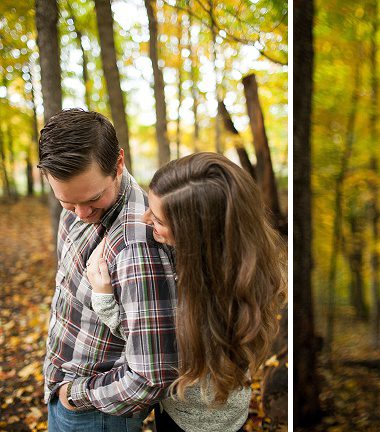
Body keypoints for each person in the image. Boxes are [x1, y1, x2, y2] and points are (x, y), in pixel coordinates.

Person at [85, 152, 286, 431]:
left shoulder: (206, 295)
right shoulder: (243, 261)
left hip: (193, 423)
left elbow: (155, 344)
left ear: (195, 232)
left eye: (158, 219)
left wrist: (104, 298)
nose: (144, 219)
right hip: (226, 411)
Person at [39, 108, 178, 431]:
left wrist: (74, 395)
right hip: (63, 383)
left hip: (96, 414)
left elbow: (153, 374)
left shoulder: (138, 246)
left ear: (118, 163)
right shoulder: (77, 204)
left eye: (93, 199)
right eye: (67, 203)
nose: (81, 213)